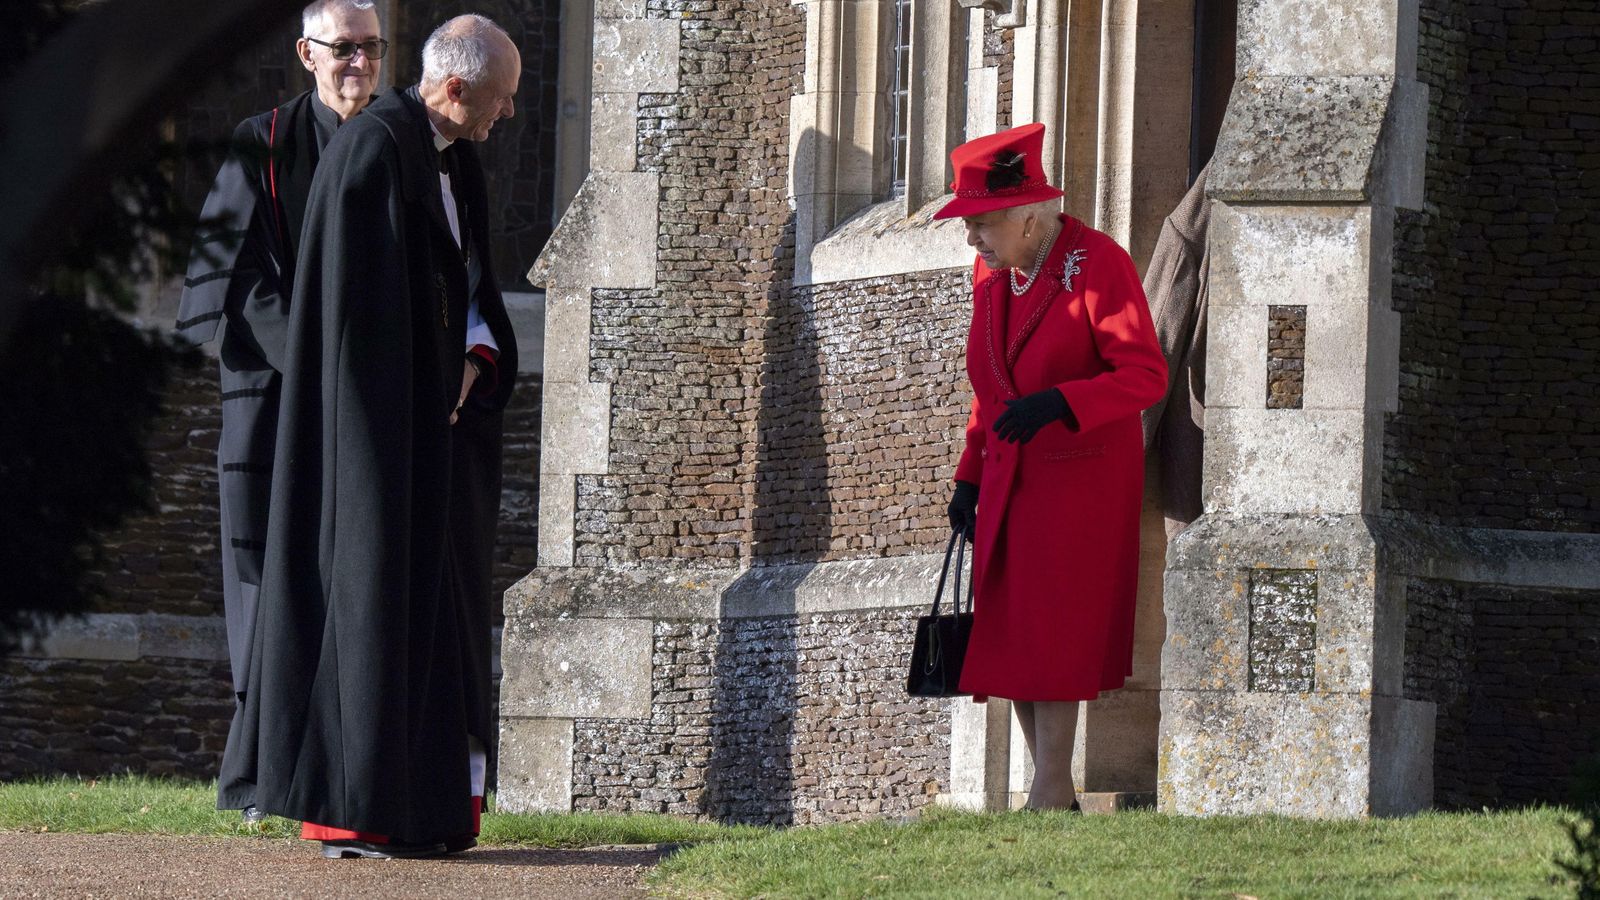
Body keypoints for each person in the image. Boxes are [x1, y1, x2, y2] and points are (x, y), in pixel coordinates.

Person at [224, 14, 520, 858]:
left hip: (435, 436)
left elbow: (466, 287)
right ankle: (356, 811)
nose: (505, 119)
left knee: (433, 620)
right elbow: (355, 322)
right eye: (498, 101)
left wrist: (475, 353)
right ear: (455, 89)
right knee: (369, 609)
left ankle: (424, 811)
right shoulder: (372, 153)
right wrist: (423, 386)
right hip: (374, 440)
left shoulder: (454, 161)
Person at [173, 0, 386, 822]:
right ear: (306, 52)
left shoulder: (400, 146)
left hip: (367, 403)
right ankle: (261, 773)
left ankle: (341, 774)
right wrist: (313, 362)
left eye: (372, 48)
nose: (358, 63)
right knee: (267, 582)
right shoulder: (260, 144)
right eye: (344, 48)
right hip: (272, 396)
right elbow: (231, 278)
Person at [934, 123, 1167, 811]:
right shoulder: (992, 275)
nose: (972, 240)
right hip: (1009, 476)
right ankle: (1052, 789)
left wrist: (1063, 402)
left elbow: (1144, 375)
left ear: (1030, 217)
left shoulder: (1098, 263)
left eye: (982, 224)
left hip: (1080, 478)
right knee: (1014, 637)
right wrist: (968, 476)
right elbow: (991, 392)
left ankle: (1047, 790)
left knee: (1056, 632)